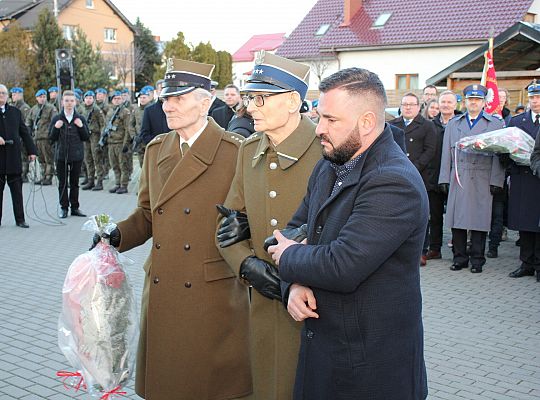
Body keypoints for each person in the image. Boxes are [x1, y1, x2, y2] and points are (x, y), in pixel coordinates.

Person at [267, 67, 428, 400]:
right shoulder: (329, 164)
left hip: (372, 369)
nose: (319, 129)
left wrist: (289, 256)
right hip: (323, 357)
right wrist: (292, 286)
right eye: (319, 116)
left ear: (367, 122)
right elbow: (289, 234)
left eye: (331, 120)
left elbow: (342, 265)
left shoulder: (394, 181)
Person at [99, 58, 251, 399]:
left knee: (207, 388)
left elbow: (249, 220)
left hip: (211, 293)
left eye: (178, 98)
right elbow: (147, 215)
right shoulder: (156, 150)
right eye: (166, 98)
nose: (167, 105)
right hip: (164, 287)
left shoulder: (234, 152)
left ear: (205, 101)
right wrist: (115, 235)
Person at [217, 51, 320, 399]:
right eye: (249, 97)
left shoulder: (327, 150)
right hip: (264, 304)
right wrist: (247, 265)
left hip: (316, 307)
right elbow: (228, 226)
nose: (250, 107)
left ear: (293, 101)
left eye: (261, 98)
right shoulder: (249, 151)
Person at [438, 84, 505, 273]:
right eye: (470, 99)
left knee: (479, 220)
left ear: (483, 102)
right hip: (459, 176)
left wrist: (496, 180)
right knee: (457, 219)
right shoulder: (454, 123)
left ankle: (477, 259)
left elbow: (499, 155)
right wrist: (444, 178)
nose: (473, 103)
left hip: (483, 177)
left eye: (477, 99)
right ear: (465, 101)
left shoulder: (494, 124)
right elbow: (446, 153)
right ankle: (459, 258)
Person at [390, 92, 437, 265]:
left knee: (418, 215)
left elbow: (430, 150)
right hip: (394, 175)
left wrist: (413, 167)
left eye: (411, 104)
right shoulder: (392, 125)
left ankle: (421, 251)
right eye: (405, 104)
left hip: (419, 175)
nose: (408, 107)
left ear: (418, 107)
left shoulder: (427, 126)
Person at [507, 81, 540, 282]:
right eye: (532, 98)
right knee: (525, 223)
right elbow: (508, 148)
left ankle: (538, 264)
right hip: (523, 177)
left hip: (539, 179)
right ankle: (526, 263)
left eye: (538, 97)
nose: (535, 101)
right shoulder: (517, 121)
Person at [425, 91, 459, 260]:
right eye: (443, 102)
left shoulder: (461, 124)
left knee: (455, 215)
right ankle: (435, 248)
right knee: (435, 215)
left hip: (456, 177)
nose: (446, 105)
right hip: (434, 176)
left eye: (449, 102)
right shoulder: (430, 125)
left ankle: (458, 249)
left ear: (456, 105)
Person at [0, 84, 37, 228]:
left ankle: (20, 219)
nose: (1, 96)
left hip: (14, 158)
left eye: (3, 93)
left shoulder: (15, 112)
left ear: (7, 96)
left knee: (17, 192)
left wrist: (32, 151)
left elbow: (24, 133)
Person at [49, 90, 89, 219]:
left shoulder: (80, 118)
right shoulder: (57, 118)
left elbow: (86, 137)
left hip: (76, 155)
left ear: (76, 102)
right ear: (62, 102)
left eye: (72, 101)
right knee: (62, 183)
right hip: (61, 155)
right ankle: (64, 208)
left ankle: (75, 207)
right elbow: (51, 138)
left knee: (74, 183)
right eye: (66, 101)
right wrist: (56, 127)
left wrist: (81, 126)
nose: (69, 103)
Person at [101, 91, 131, 194]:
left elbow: (128, 129)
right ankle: (117, 183)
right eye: (115, 99)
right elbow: (105, 127)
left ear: (122, 99)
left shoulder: (125, 112)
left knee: (123, 165)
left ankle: (124, 185)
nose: (117, 100)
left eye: (119, 98)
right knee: (114, 165)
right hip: (111, 143)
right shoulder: (110, 112)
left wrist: (126, 144)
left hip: (120, 143)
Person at [26, 89, 57, 185]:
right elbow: (29, 121)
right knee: (41, 159)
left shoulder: (51, 108)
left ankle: (48, 177)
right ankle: (43, 176)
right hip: (37, 137)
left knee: (48, 158)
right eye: (40, 97)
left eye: (44, 97)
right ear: (37, 98)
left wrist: (52, 135)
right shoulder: (34, 109)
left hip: (46, 137)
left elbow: (54, 122)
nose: (42, 99)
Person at [80, 91, 106, 191]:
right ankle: (90, 179)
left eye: (90, 98)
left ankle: (99, 181)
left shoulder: (96, 110)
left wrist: (101, 137)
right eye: (87, 98)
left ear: (93, 99)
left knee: (97, 159)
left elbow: (103, 124)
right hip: (85, 136)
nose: (88, 100)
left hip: (95, 135)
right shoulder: (82, 109)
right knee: (88, 159)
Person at [10, 87, 32, 182]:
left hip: (21, 136)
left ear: (20, 95)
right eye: (12, 95)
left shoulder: (24, 108)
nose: (13, 96)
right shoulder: (13, 106)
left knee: (23, 156)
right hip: (14, 136)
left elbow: (27, 123)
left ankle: (24, 174)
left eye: (14, 95)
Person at [130, 86, 154, 167]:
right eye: (141, 97)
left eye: (144, 97)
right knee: (142, 165)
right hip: (139, 142)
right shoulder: (136, 110)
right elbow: (131, 124)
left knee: (150, 165)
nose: (142, 99)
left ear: (149, 97)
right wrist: (134, 136)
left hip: (149, 141)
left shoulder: (152, 109)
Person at [140, 80, 169, 145]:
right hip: (156, 149)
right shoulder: (149, 110)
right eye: (161, 89)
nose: (163, 91)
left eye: (165, 88)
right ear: (157, 91)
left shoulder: (176, 108)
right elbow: (144, 135)